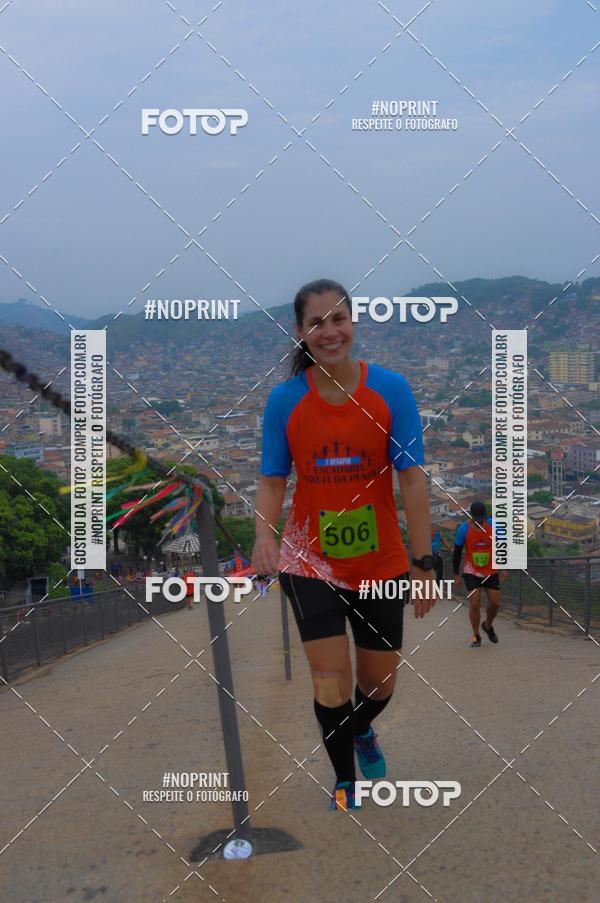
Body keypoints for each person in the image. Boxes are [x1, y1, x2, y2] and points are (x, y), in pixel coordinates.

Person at [252, 278, 436, 812]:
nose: (330, 332)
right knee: (330, 681)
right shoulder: (286, 400)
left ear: (352, 323)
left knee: (379, 686)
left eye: (339, 319)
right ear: (300, 332)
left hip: (380, 562)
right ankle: (343, 779)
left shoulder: (391, 391)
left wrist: (424, 563)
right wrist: (264, 534)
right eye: (317, 323)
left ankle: (362, 731)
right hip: (310, 563)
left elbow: (413, 480)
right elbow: (271, 479)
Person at [453, 500, 508, 647]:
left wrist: (503, 568)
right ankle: (476, 635)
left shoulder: (495, 526)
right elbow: (457, 553)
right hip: (471, 570)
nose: (480, 522)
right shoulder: (463, 529)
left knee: (495, 604)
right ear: (471, 516)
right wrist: (456, 575)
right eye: (477, 520)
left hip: (491, 570)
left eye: (482, 519)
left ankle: (488, 625)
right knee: (475, 602)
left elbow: (502, 549)